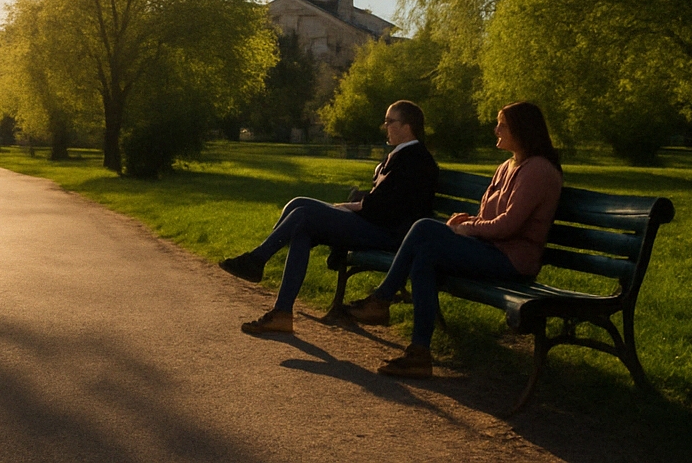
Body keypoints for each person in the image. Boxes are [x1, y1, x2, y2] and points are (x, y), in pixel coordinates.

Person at [343, 101, 564, 379]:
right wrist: (468, 221)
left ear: (523, 130)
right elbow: (490, 217)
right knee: (424, 257)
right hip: (490, 249)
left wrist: (469, 229)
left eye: (502, 125)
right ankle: (419, 354)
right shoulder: (508, 166)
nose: (496, 129)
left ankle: (382, 299)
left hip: (512, 261)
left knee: (424, 228)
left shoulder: (538, 171)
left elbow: (508, 226)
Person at [219, 100, 439, 335]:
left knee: (304, 215)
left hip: (390, 235)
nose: (385, 127)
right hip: (375, 224)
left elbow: (387, 209)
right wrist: (347, 207)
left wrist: (345, 207)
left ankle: (257, 262)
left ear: (407, 126)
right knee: (299, 205)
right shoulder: (402, 156)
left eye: (389, 122)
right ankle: (281, 311)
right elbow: (381, 203)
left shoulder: (416, 160)